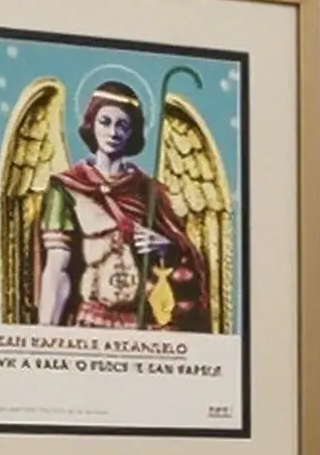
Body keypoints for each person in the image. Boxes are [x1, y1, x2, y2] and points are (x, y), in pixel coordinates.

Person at [22, 76, 212, 332]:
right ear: (91, 123)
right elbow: (58, 266)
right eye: (105, 122)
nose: (113, 132)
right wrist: (47, 331)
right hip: (90, 320)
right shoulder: (67, 188)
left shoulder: (148, 190)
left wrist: (165, 247)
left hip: (142, 323)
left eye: (123, 125)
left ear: (133, 132)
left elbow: (185, 257)